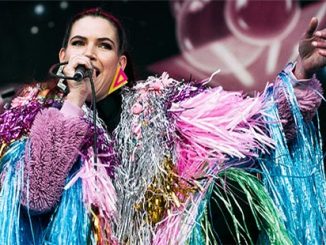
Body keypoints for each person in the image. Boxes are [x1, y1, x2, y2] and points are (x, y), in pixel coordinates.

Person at [0, 7, 325, 244]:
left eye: (104, 45)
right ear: (64, 55)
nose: (89, 54)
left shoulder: (165, 110)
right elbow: (37, 195)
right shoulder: (28, 120)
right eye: (79, 43)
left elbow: (257, 128)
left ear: (120, 64)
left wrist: (300, 73)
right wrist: (74, 99)